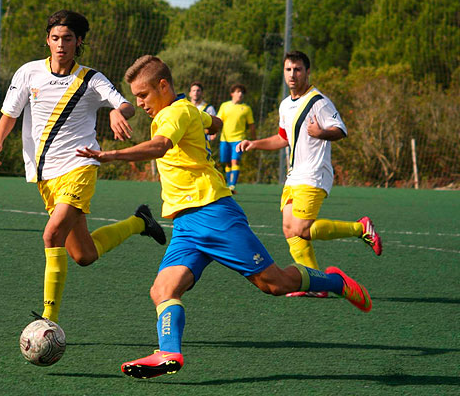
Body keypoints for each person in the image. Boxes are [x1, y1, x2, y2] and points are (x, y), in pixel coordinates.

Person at [76, 55, 372, 379]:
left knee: (274, 284)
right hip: (186, 225)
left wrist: (112, 155)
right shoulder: (182, 111)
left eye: (143, 95)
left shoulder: (174, 113)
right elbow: (212, 124)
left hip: (214, 213)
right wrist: (212, 125)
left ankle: (335, 281)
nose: (139, 102)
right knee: (162, 289)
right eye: (135, 97)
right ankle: (168, 353)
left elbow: (160, 146)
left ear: (163, 86)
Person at [0, 11, 166, 325]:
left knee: (52, 234)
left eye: (67, 39)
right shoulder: (28, 73)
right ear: (48, 40)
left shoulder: (91, 78)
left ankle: (48, 319)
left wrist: (115, 113)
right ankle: (140, 222)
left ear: (78, 42)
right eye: (55, 38)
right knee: (84, 255)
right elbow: (10, 113)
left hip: (81, 165)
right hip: (46, 175)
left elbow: (124, 105)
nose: (60, 45)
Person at [237, 50, 382, 298]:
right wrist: (255, 143)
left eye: (298, 69)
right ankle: (316, 285)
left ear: (307, 72)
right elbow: (283, 139)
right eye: (288, 70)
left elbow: (341, 130)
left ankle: (360, 228)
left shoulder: (319, 102)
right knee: (288, 229)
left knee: (302, 229)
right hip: (294, 176)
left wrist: (321, 133)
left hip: (315, 174)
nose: (293, 74)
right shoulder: (285, 105)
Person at [216, 83, 256, 193]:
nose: (240, 94)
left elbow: (251, 124)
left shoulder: (246, 108)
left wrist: (254, 139)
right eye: (238, 92)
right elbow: (219, 120)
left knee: (235, 161)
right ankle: (229, 185)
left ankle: (232, 186)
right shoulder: (224, 106)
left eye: (242, 92)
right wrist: (214, 132)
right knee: (227, 163)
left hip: (239, 139)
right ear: (232, 93)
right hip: (225, 139)